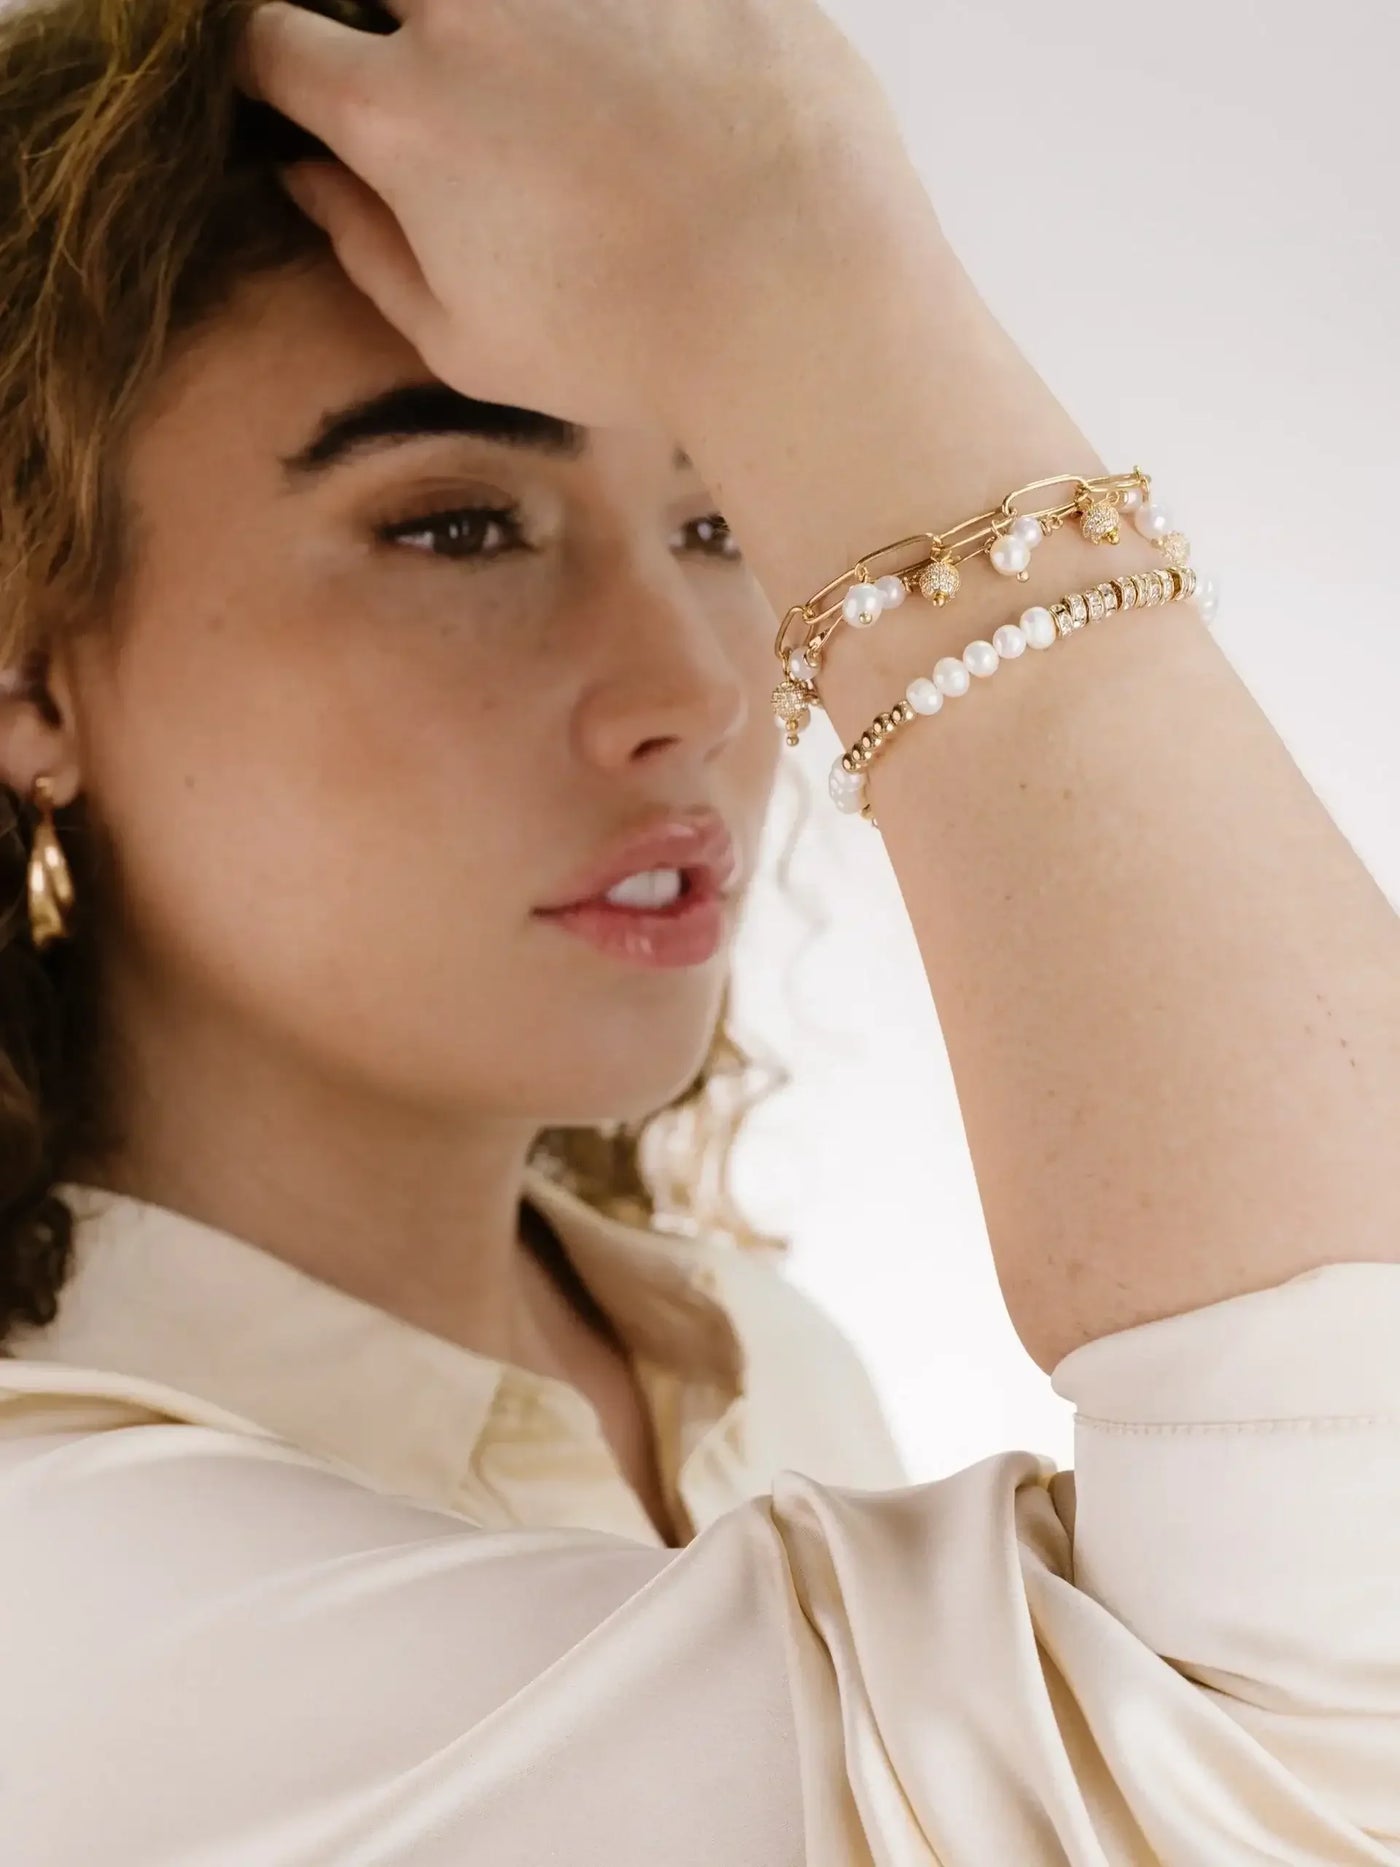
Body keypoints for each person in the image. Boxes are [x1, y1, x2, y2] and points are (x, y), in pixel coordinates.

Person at [0, 0, 1396, 1859]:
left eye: (726, 519)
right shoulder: (59, 1604)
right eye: (456, 527)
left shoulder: (750, 1356)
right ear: (27, 660)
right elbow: (1331, 1736)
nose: (697, 690)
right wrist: (800, 235)